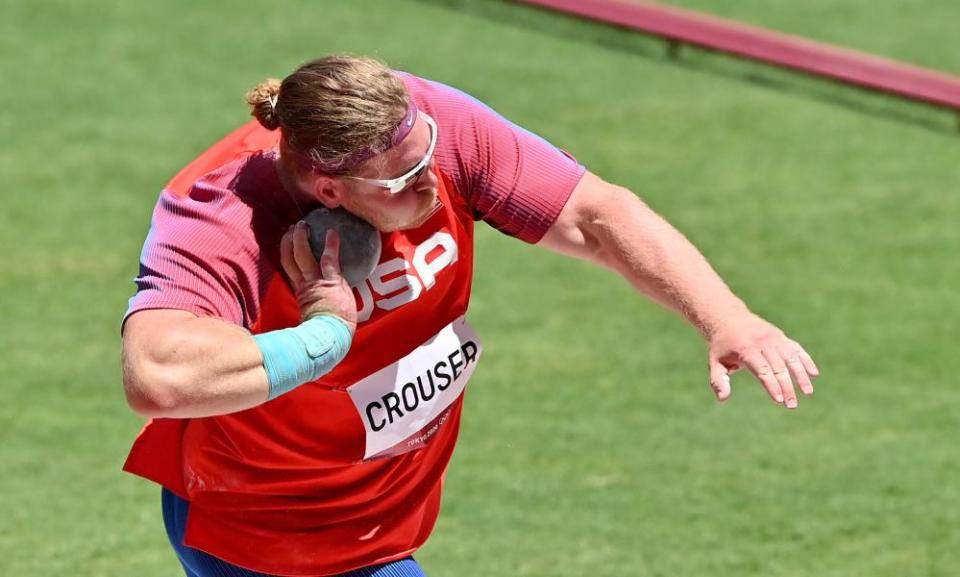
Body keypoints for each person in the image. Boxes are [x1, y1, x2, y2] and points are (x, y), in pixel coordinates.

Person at [121, 54, 819, 577]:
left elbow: (594, 215)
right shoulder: (220, 212)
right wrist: (324, 335)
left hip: (385, 509)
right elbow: (157, 372)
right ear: (327, 184)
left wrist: (725, 315)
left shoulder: (427, 127)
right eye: (402, 181)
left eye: (428, 151)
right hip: (266, 523)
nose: (433, 176)